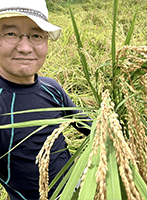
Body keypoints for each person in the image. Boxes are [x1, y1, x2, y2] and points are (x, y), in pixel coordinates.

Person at [0, 0, 92, 199]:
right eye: (10, 33)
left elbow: (89, 126)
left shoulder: (52, 87)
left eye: (36, 35)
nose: (25, 47)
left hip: (74, 187)